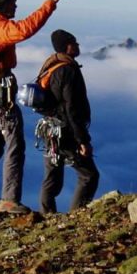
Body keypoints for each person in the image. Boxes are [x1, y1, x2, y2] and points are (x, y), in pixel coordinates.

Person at [0, 0, 69, 214]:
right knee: (14, 144)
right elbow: (27, 28)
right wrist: (52, 2)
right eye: (13, 5)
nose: (15, 9)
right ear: (3, 6)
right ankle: (9, 199)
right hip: (0, 95)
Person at [38, 29, 100, 214]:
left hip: (49, 129)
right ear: (67, 46)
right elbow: (71, 108)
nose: (78, 45)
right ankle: (76, 215)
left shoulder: (52, 66)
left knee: (52, 176)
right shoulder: (67, 70)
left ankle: (45, 215)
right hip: (65, 132)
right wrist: (82, 140)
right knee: (89, 176)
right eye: (75, 42)